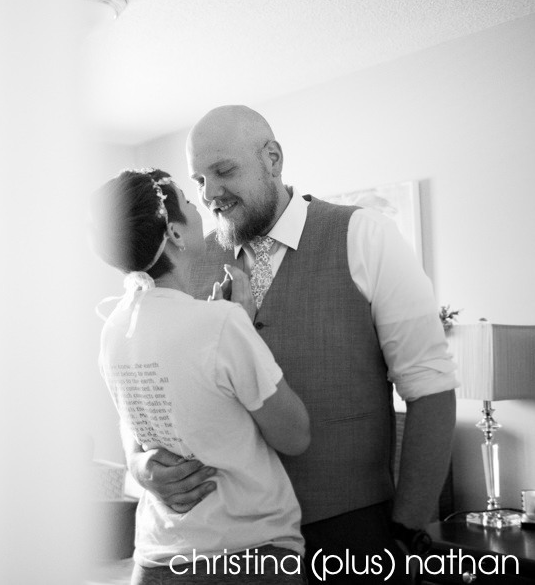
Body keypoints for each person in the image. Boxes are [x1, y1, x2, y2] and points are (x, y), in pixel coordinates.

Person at [127, 105, 459, 583]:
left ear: (273, 157)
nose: (209, 194)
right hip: (221, 552)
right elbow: (133, 384)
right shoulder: (184, 263)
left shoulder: (366, 236)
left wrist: (406, 533)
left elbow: (430, 388)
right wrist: (138, 466)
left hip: (349, 537)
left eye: (223, 171)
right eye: (198, 181)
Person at [90, 168, 311, 584]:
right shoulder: (220, 324)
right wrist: (239, 330)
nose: (202, 205)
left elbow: (135, 425)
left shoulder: (113, 329)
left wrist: (228, 326)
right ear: (174, 232)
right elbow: (295, 435)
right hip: (247, 557)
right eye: (190, 203)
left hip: (156, 560)